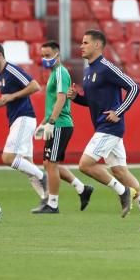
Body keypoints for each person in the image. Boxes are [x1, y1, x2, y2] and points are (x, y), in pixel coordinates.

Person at [66, 29, 140, 231]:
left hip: (110, 127)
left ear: (97, 45)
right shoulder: (89, 70)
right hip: (104, 126)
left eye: (85, 42)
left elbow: (134, 87)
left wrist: (119, 111)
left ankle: (121, 191)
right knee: (120, 171)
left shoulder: (107, 67)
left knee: (85, 164)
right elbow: (93, 102)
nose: (81, 46)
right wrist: (77, 98)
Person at [0, 42, 48, 207]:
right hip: (17, 119)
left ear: (0, 55)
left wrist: (14, 96)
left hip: (24, 118)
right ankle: (48, 201)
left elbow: (35, 86)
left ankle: (42, 176)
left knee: (8, 158)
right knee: (26, 165)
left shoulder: (12, 70)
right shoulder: (1, 75)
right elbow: (5, 99)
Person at [31, 41, 94, 214]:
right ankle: (82, 188)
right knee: (49, 163)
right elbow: (52, 104)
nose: (45, 59)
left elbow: (61, 99)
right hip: (55, 123)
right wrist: (43, 123)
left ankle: (53, 204)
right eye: (43, 56)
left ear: (57, 55)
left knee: (51, 164)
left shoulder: (60, 72)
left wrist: (51, 122)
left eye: (48, 55)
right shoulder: (54, 73)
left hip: (60, 124)